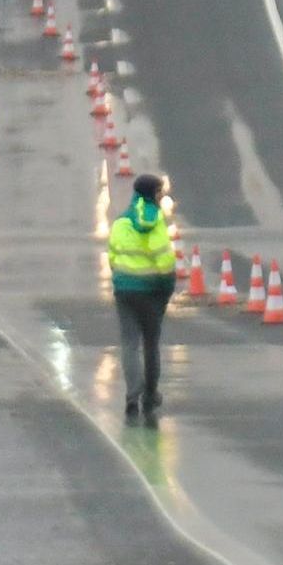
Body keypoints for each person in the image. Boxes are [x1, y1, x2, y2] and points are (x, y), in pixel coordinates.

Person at [107, 174, 177, 423]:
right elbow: (165, 261)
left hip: (125, 291)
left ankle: (131, 396)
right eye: (160, 192)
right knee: (151, 343)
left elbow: (113, 258)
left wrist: (121, 280)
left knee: (129, 344)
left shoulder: (121, 223)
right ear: (153, 194)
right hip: (151, 292)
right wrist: (167, 288)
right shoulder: (156, 221)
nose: (162, 197)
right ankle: (150, 394)